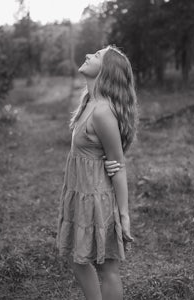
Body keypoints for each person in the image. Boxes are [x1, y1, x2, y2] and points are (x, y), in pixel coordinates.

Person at [56, 45, 138, 300]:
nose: (90, 55)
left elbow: (119, 164)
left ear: (106, 71)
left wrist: (124, 216)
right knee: (79, 261)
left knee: (107, 267)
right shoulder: (89, 102)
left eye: (98, 56)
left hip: (96, 197)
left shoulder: (103, 111)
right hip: (80, 192)